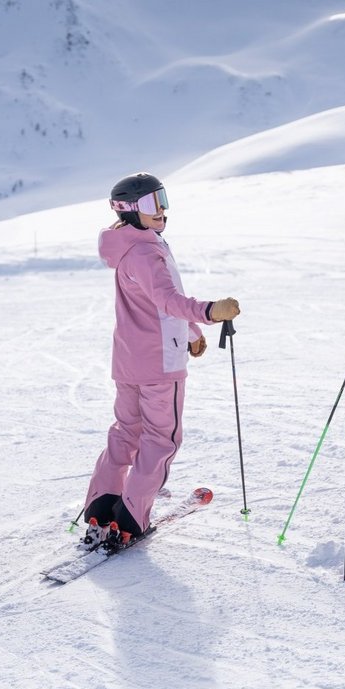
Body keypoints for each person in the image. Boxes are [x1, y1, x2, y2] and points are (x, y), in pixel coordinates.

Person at [80, 172, 239, 549]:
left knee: (126, 433)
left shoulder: (127, 247)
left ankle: (101, 508)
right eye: (153, 203)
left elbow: (160, 305)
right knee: (160, 439)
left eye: (163, 199)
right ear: (131, 210)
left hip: (130, 361)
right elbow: (170, 300)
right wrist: (210, 312)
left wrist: (193, 336)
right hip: (159, 365)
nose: (162, 209)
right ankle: (131, 518)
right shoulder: (147, 251)